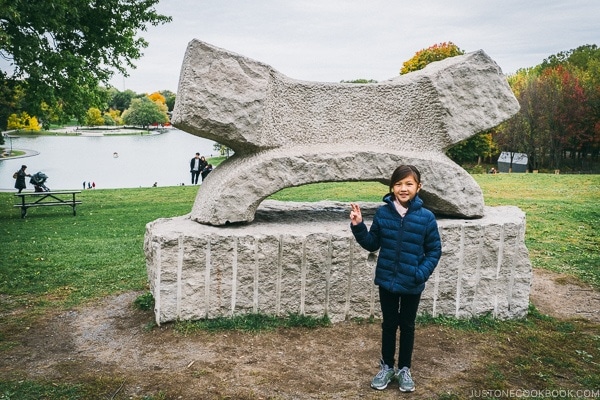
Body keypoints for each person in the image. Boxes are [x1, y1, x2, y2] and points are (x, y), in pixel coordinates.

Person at [349, 165, 442, 393]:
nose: (403, 188)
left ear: (418, 187)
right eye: (399, 184)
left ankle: (404, 369)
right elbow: (372, 243)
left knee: (407, 326)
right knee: (389, 325)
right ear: (392, 187)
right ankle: (387, 367)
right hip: (388, 281)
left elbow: (434, 250)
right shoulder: (383, 213)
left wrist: (420, 274)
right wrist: (359, 226)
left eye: (409, 184)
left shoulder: (426, 218)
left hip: (412, 283)